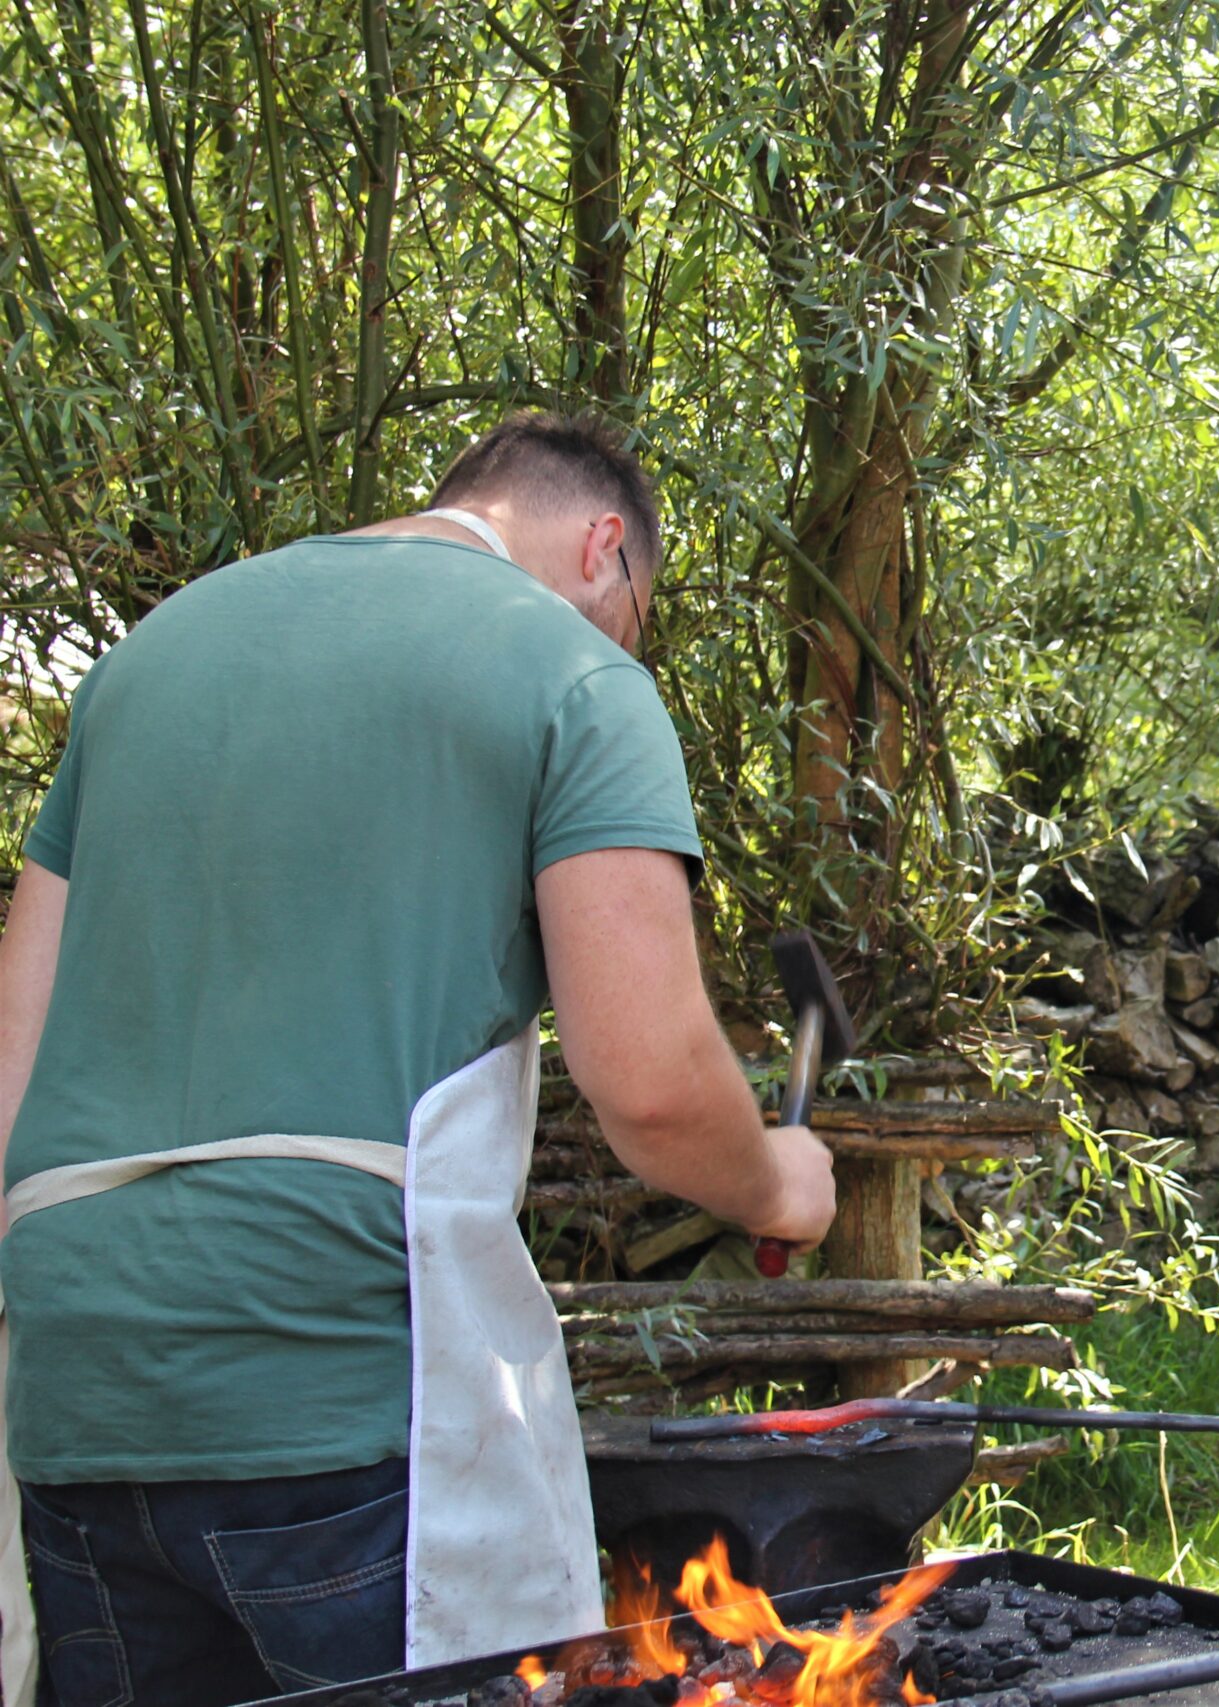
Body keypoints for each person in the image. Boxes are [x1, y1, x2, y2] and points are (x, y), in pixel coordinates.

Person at [0, 412, 841, 1707]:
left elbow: (16, 1063)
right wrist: (779, 1180)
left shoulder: (144, 662)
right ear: (603, 546)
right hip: (341, 1400)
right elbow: (656, 1086)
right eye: (637, 616)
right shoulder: (569, 672)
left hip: (77, 1395)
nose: (627, 646)